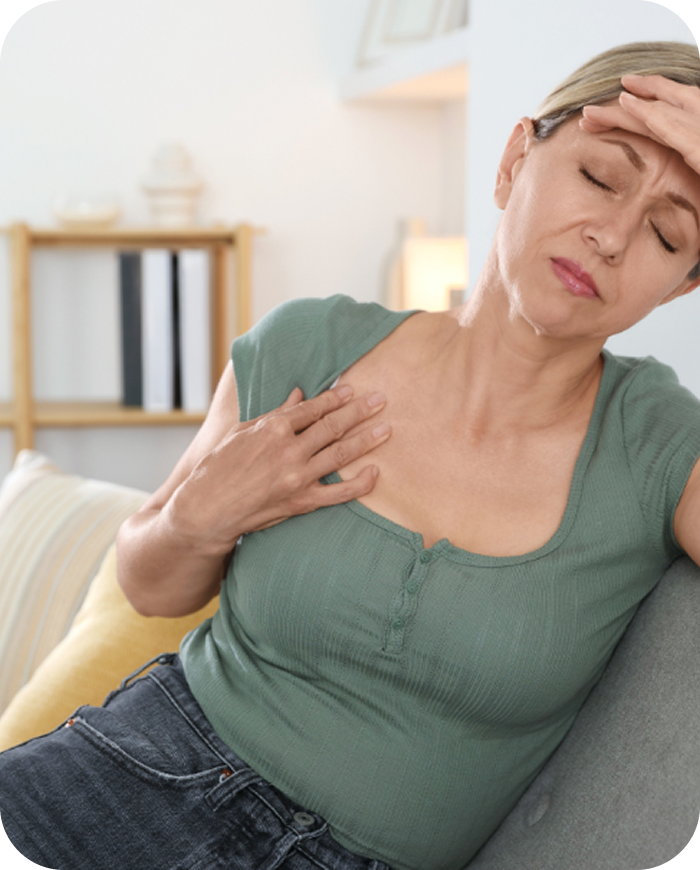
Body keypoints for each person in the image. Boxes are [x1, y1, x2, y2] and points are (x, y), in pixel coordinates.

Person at [2, 40, 700, 870]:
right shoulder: (309, 344)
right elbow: (150, 585)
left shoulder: (663, 446)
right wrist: (198, 519)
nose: (613, 237)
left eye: (666, 232)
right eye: (599, 178)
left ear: (684, 283)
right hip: (126, 771)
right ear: (516, 158)